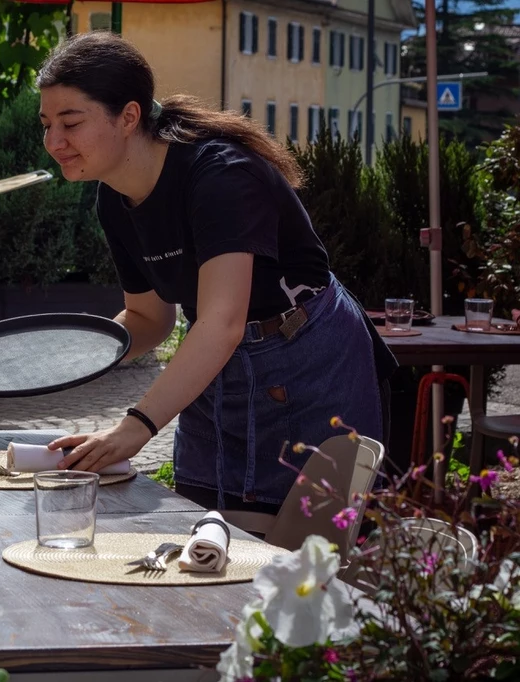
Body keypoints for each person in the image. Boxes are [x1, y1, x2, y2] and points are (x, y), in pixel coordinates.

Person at [38, 32, 398, 514]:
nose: (54, 142)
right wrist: (77, 353)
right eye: (46, 125)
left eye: (71, 122)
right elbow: (149, 318)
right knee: (201, 532)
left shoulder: (221, 174)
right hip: (215, 370)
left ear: (129, 116)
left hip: (311, 364)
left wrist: (136, 425)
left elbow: (221, 322)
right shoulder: (113, 198)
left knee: (309, 554)